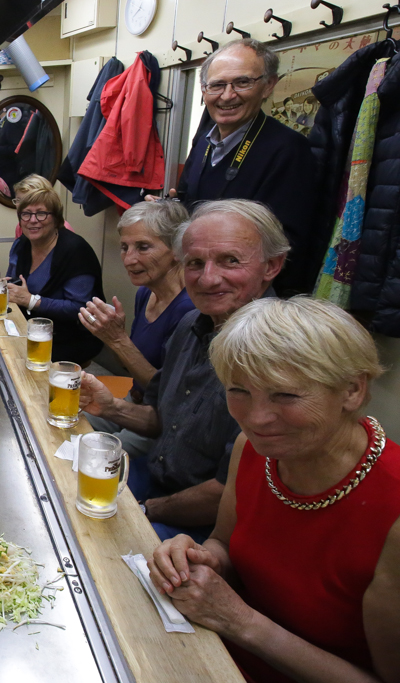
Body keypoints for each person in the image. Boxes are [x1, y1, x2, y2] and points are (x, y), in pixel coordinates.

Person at [149, 297, 400, 683]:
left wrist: (243, 622)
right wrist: (200, 557)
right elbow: (225, 544)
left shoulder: (392, 515)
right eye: (238, 391)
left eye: (285, 395)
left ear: (352, 390)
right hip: (213, 656)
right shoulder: (253, 451)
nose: (256, 418)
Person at [78, 199, 288, 542]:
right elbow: (161, 418)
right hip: (156, 478)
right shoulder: (192, 322)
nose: (207, 278)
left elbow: (225, 493)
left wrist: (144, 508)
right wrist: (111, 407)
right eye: (195, 263)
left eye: (230, 261)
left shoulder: (276, 358)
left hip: (200, 524)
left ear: (272, 266)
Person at [155, 39, 316, 294]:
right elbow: (188, 201)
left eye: (242, 83)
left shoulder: (288, 149)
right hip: (200, 280)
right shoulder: (203, 141)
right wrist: (167, 211)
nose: (227, 95)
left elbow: (286, 244)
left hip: (247, 296)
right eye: (217, 85)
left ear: (268, 85)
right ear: (204, 89)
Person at [78, 200, 195, 462]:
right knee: (68, 422)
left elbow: (170, 396)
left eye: (143, 247)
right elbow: (134, 367)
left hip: (162, 420)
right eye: (124, 247)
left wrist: (118, 340)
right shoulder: (145, 293)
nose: (129, 259)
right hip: (136, 398)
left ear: (178, 250)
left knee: (97, 460)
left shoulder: (188, 310)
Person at [5, 187, 104, 367]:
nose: (33, 220)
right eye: (26, 214)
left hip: (70, 339)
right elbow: (13, 281)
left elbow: (80, 308)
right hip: (32, 330)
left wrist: (32, 301)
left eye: (41, 214)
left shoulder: (75, 250)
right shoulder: (22, 244)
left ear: (57, 219)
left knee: (14, 362)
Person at [11, 174, 73, 238]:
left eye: (26, 201)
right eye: (18, 200)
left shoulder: (64, 229)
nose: (21, 205)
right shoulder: (21, 227)